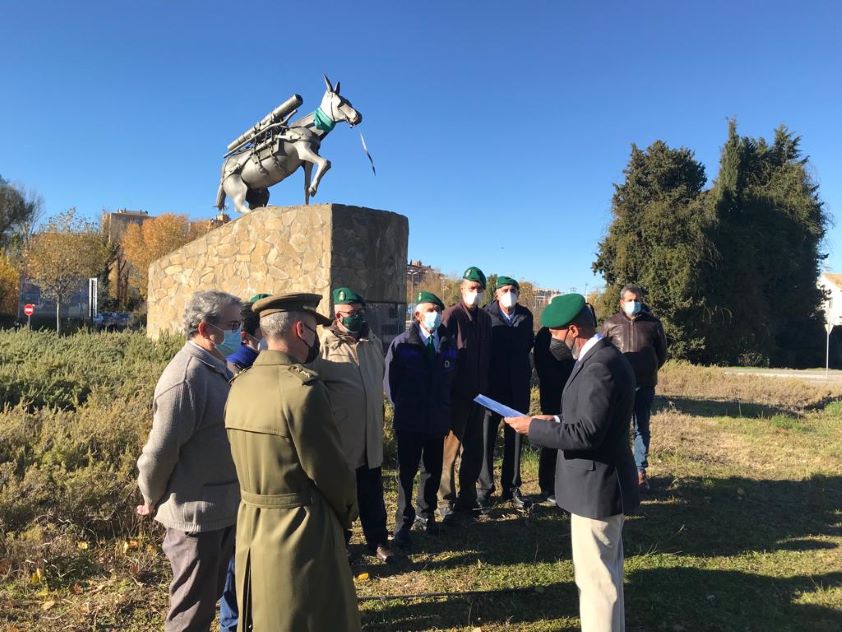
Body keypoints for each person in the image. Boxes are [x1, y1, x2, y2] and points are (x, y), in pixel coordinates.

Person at [224, 293, 360, 631]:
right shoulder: (303, 390)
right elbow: (330, 471)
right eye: (314, 329)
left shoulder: (239, 384)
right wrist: (348, 512)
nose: (316, 337)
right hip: (301, 529)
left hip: (251, 524)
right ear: (301, 330)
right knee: (312, 615)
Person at [505, 293, 640, 632]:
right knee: (606, 578)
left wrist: (533, 427)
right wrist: (555, 418)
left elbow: (586, 434)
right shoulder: (601, 357)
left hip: (597, 489)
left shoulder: (599, 366)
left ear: (574, 330)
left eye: (554, 334)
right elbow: (590, 417)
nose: (551, 341)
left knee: (596, 584)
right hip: (598, 485)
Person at [136, 290, 243, 632]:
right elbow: (160, 451)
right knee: (191, 612)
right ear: (204, 328)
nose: (241, 332)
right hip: (195, 517)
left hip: (220, 507)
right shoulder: (186, 377)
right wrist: (150, 495)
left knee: (207, 599)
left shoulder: (217, 368)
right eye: (233, 325)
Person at [309, 287, 394, 563]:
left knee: (372, 494)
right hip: (341, 439)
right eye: (350, 313)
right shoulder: (323, 347)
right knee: (341, 497)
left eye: (359, 312)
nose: (356, 317)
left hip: (370, 436)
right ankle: (340, 544)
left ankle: (378, 541)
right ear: (337, 315)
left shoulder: (373, 343)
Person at [385, 290, 457, 548]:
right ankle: (403, 522)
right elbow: (390, 385)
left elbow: (452, 381)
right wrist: (405, 409)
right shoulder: (403, 344)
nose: (435, 315)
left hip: (436, 420)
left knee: (432, 470)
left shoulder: (447, 343)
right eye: (429, 310)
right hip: (410, 421)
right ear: (417, 314)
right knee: (406, 472)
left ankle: (426, 514)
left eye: (438, 310)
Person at [220, 292, 268, 632]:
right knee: (235, 562)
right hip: (237, 479)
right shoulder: (234, 367)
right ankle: (232, 622)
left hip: (263, 478)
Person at [601, 284, 667, 492]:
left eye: (636, 299)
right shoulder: (611, 323)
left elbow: (661, 354)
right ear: (621, 302)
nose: (633, 303)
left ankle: (639, 471)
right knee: (617, 428)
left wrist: (648, 370)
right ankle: (618, 470)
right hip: (619, 386)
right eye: (629, 300)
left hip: (644, 385)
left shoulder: (653, 324)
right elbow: (602, 353)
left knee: (641, 428)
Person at [439, 266, 492, 520]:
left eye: (479, 289)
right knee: (450, 450)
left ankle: (467, 498)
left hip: (478, 396)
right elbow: (442, 356)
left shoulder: (484, 319)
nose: (475, 293)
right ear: (462, 289)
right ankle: (445, 500)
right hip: (456, 397)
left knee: (474, 449)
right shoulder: (451, 316)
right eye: (471, 288)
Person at [477, 276, 534, 510]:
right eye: (505, 290)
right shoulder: (485, 316)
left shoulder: (525, 316)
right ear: (496, 294)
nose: (509, 293)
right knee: (486, 439)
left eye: (513, 290)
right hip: (492, 388)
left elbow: (528, 345)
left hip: (517, 387)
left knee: (516, 439)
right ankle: (484, 488)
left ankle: (511, 488)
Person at [532, 320, 575, 504]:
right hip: (553, 395)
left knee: (572, 439)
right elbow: (544, 369)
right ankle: (547, 485)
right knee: (551, 441)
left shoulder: (573, 332)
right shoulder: (544, 335)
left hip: (575, 395)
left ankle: (568, 483)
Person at [225, 293, 269, 375]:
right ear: (244, 337)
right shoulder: (234, 369)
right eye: (265, 332)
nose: (272, 335)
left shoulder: (262, 360)